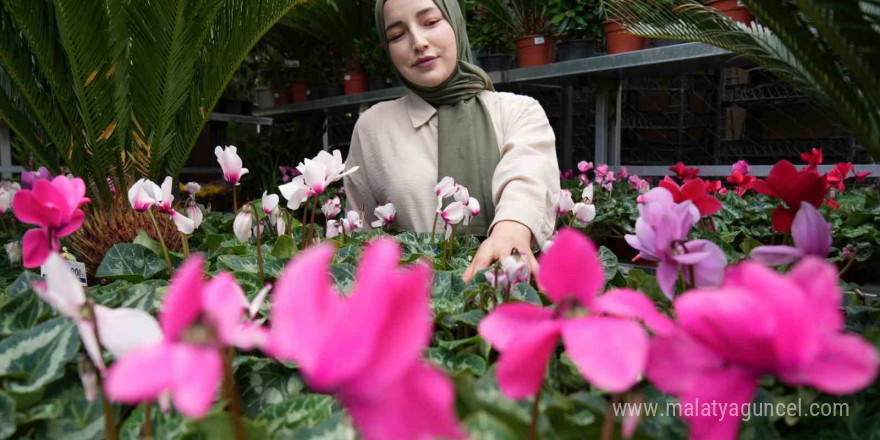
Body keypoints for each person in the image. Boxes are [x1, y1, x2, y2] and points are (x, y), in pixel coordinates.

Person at [343, 0, 560, 282]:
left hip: (511, 299)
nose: (418, 42)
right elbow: (360, 234)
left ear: (455, 22)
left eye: (431, 22)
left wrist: (511, 229)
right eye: (397, 35)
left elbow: (528, 178)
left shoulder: (516, 111)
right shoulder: (373, 128)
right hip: (416, 307)